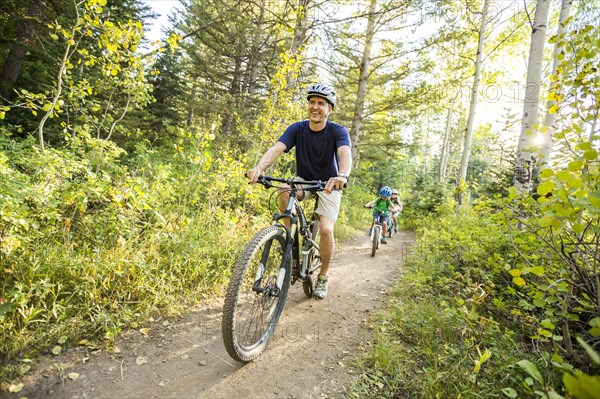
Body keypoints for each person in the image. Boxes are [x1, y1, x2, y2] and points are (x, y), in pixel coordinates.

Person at [247, 83, 352, 300]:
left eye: (321, 103)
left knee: (324, 229)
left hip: (329, 183)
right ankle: (288, 238)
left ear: (329, 109)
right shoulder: (297, 128)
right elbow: (277, 148)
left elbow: (344, 153)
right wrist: (259, 168)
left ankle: (322, 276)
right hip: (304, 181)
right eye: (312, 102)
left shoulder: (337, 131)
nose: (315, 107)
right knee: (284, 189)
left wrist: (342, 175)